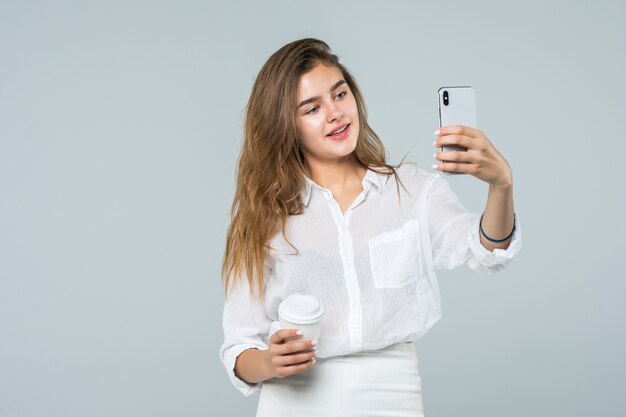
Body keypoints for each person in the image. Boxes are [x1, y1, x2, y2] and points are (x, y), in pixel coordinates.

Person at [219, 38, 521, 417]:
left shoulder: (413, 191)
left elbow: (488, 252)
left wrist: (501, 185)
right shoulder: (263, 217)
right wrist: (269, 362)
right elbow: (239, 347)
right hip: (293, 399)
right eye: (312, 108)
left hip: (392, 394)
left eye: (339, 94)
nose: (335, 113)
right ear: (286, 126)